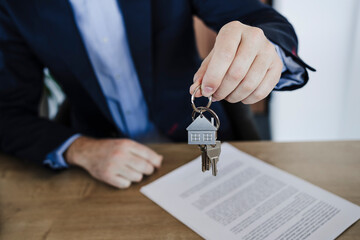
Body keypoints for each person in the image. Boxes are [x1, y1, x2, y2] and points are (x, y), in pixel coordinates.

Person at [0, 0, 314, 189]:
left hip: (198, 143)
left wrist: (266, 48)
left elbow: (262, 20)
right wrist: (79, 150)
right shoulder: (13, 7)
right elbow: (8, 114)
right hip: (101, 163)